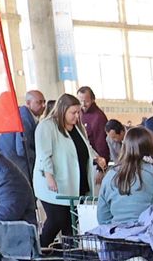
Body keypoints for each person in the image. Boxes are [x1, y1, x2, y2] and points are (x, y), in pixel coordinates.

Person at [34, 92, 104, 247]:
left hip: (76, 183)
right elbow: (44, 154)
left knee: (71, 223)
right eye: (73, 112)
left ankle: (71, 259)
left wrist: (97, 157)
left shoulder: (77, 128)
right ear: (62, 110)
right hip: (55, 185)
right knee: (57, 219)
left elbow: (85, 147)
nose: (77, 116)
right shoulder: (46, 126)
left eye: (78, 112)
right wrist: (49, 176)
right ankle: (40, 251)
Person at [96, 126, 153, 226]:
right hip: (151, 237)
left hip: (117, 237)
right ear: (150, 147)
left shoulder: (109, 176)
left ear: (124, 147)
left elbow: (103, 218)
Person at [0, 88, 44, 175]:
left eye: (44, 102)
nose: (43, 105)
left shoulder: (24, 116)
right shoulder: (24, 119)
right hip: (14, 166)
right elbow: (22, 149)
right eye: (39, 102)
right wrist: (39, 155)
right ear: (28, 103)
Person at [76, 86, 110, 163]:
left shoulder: (98, 117)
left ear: (93, 100)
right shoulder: (78, 113)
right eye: (80, 101)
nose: (83, 104)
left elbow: (101, 143)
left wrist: (101, 164)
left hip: (95, 160)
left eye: (86, 101)